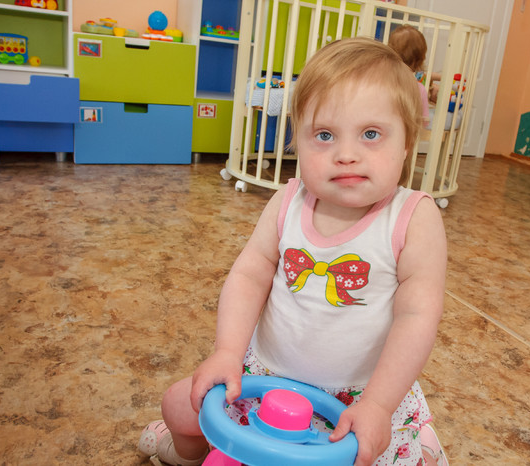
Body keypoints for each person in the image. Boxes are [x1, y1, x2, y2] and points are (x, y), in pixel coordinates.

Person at [138, 37, 448, 466]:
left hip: (360, 397)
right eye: (324, 135)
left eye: (371, 134)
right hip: (267, 379)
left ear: (407, 142)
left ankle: (423, 444)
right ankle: (187, 455)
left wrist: (378, 405)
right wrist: (228, 352)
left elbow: (417, 317)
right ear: (297, 140)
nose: (346, 154)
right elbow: (249, 275)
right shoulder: (288, 201)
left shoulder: (413, 217)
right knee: (177, 405)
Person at [387, 24, 432, 126]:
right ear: (420, 60)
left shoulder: (383, 80)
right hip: (406, 133)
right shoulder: (418, 89)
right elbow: (424, 121)